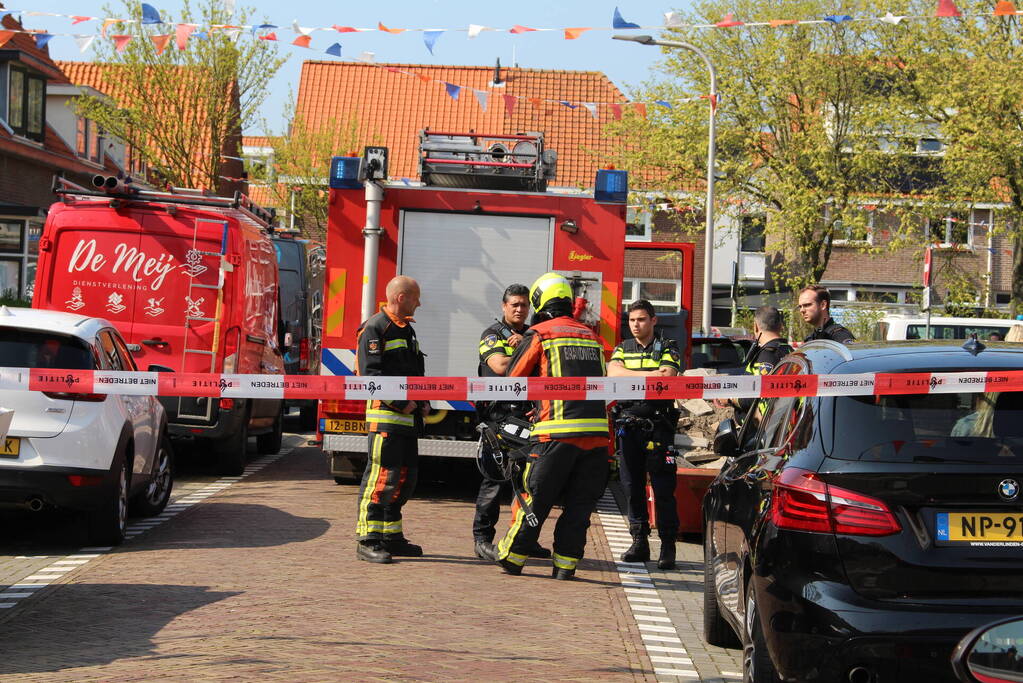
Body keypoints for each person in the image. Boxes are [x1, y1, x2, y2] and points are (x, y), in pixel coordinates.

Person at [493, 272, 611, 580]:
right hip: (597, 437)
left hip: (555, 433)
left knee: (536, 498)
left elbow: (513, 379)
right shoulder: (592, 336)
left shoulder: (541, 333)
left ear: (539, 302)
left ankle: (512, 556)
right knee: (580, 507)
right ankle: (565, 566)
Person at [353, 276, 428, 564]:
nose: (419, 303)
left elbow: (415, 374)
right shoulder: (375, 327)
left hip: (407, 422)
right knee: (381, 479)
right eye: (415, 297)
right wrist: (400, 403)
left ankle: (391, 537)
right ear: (401, 297)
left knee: (404, 480)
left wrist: (422, 402)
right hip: (386, 419)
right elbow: (370, 376)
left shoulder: (407, 330)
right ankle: (368, 539)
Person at [473, 284, 550, 561]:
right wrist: (525, 352)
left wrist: (526, 345)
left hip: (527, 417)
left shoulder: (532, 334)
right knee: (494, 482)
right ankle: (482, 541)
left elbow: (545, 370)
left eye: (523, 305)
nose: (519, 309)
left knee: (529, 483)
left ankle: (523, 540)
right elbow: (500, 366)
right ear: (504, 306)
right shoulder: (492, 334)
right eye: (514, 304)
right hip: (498, 418)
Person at [607, 300, 682, 570]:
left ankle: (668, 545)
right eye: (631, 320)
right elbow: (612, 373)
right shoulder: (622, 348)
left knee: (663, 489)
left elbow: (667, 376)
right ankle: (639, 542)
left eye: (641, 319)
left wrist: (630, 375)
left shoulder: (668, 346)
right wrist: (649, 374)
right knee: (631, 487)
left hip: (658, 426)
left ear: (653, 320)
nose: (635, 325)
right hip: (628, 426)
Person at [715, 306, 793, 420]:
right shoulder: (789, 351)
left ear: (755, 326)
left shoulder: (767, 355)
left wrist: (729, 399)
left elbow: (755, 396)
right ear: (781, 325)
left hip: (760, 426)